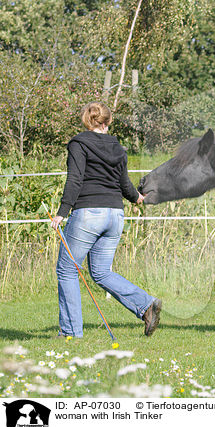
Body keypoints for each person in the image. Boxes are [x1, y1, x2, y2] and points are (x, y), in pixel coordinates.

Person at [51, 102, 161, 338]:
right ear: (107, 121)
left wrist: (62, 211)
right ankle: (146, 305)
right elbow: (124, 183)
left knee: (67, 270)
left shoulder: (79, 143)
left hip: (88, 214)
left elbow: (75, 179)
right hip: (115, 214)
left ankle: (70, 332)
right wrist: (136, 198)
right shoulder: (118, 148)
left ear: (86, 120)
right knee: (100, 272)